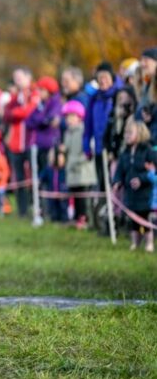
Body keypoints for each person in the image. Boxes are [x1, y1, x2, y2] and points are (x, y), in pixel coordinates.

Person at [112, 120, 155, 252]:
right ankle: (135, 243)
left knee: (144, 218)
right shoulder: (125, 153)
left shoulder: (147, 151)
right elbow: (120, 170)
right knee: (133, 220)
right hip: (130, 193)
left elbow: (153, 170)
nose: (127, 135)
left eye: (130, 132)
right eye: (126, 133)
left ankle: (149, 243)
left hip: (144, 193)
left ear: (140, 133)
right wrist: (117, 181)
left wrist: (142, 180)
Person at [4, 66, 40, 217]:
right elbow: (6, 114)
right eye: (15, 79)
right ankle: (22, 210)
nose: (16, 81)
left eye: (19, 78)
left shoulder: (35, 93)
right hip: (16, 143)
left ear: (28, 77)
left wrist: (16, 113)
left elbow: (30, 111)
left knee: (34, 176)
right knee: (18, 178)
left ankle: (37, 207)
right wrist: (16, 112)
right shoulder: (15, 96)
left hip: (31, 141)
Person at [85, 62, 122, 192]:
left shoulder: (119, 95)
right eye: (99, 77)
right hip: (99, 147)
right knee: (101, 181)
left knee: (114, 180)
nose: (102, 80)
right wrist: (86, 146)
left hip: (114, 147)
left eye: (105, 77)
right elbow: (88, 123)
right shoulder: (94, 98)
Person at [62, 100, 96, 229]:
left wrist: (76, 162)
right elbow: (68, 150)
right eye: (67, 117)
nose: (69, 120)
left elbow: (87, 152)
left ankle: (85, 219)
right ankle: (76, 218)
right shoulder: (68, 132)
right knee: (74, 196)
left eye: (72, 116)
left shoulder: (84, 131)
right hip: (72, 170)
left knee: (83, 198)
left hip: (83, 171)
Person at [26, 76, 62, 174]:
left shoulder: (56, 103)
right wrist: (41, 120)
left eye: (41, 90)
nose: (39, 92)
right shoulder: (41, 104)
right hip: (40, 144)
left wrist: (40, 120)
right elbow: (28, 121)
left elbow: (49, 119)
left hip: (50, 144)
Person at [39, 147, 68, 223]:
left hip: (62, 194)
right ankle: (54, 219)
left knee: (63, 208)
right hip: (51, 194)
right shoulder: (48, 169)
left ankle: (64, 220)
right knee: (53, 210)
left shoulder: (64, 170)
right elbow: (41, 176)